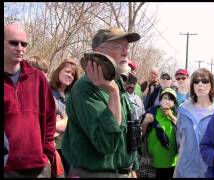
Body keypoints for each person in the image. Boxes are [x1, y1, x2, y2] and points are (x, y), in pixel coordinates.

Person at [61, 27, 141, 178]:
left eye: (126, 47)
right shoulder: (85, 88)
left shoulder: (115, 83)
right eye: (118, 47)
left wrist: (132, 168)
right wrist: (113, 93)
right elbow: (107, 144)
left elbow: (128, 135)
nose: (126, 52)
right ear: (99, 51)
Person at [4, 23, 56, 177]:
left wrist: (47, 153)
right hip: (7, 168)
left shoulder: (38, 78)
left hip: (39, 167)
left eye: (24, 44)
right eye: (14, 43)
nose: (20, 48)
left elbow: (50, 117)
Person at [173, 68, 214, 178]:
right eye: (196, 81)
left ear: (211, 85)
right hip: (185, 169)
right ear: (193, 85)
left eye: (204, 81)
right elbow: (179, 139)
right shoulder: (183, 110)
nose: (200, 84)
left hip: (210, 170)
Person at [49, 59, 79, 176]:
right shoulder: (48, 92)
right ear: (58, 72)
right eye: (67, 71)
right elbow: (45, 124)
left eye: (72, 74)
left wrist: (64, 122)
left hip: (70, 148)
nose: (69, 76)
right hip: (53, 148)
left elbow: (73, 122)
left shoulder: (72, 97)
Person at [141, 87, 178, 179]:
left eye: (171, 99)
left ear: (174, 103)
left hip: (172, 162)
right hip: (152, 162)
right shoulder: (151, 112)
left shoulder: (177, 115)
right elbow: (141, 133)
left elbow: (184, 132)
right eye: (165, 98)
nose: (167, 101)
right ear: (160, 100)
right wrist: (145, 122)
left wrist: (172, 117)